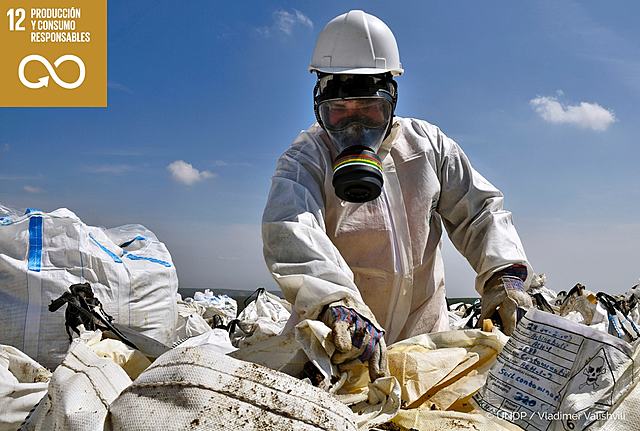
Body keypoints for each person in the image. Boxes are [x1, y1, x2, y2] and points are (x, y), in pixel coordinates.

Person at [262, 10, 533, 380]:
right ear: (319, 108)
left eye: (371, 112)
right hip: (339, 345)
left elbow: (480, 213)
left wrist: (504, 274)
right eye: (339, 113)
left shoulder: (428, 147)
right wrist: (334, 301)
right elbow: (291, 231)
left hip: (424, 350)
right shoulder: (305, 161)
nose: (355, 128)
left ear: (392, 101)